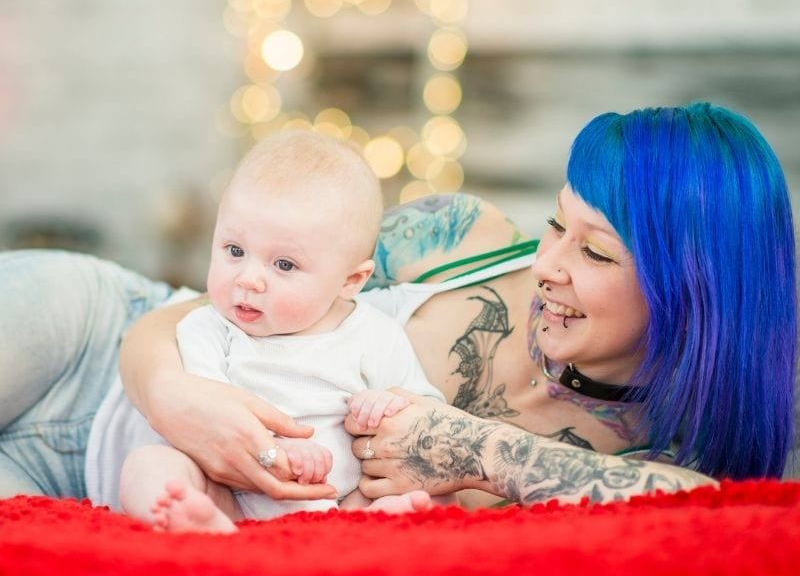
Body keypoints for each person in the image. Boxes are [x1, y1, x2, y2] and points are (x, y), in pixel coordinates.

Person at [0, 102, 794, 509]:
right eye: (558, 222)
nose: (547, 263)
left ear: (689, 294)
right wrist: (176, 397)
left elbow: (715, 511)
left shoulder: (658, 457)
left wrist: (470, 448)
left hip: (114, 486)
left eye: (593, 251)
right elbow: (193, 313)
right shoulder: (463, 238)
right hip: (93, 341)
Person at [106, 131, 444, 531]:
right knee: (149, 464)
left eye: (283, 265)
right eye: (234, 251)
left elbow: (426, 413)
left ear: (350, 281)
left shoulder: (374, 334)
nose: (248, 279)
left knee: (429, 486)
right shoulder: (208, 328)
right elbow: (210, 416)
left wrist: (386, 405)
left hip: (339, 500)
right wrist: (279, 448)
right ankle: (193, 519)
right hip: (233, 495)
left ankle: (374, 522)